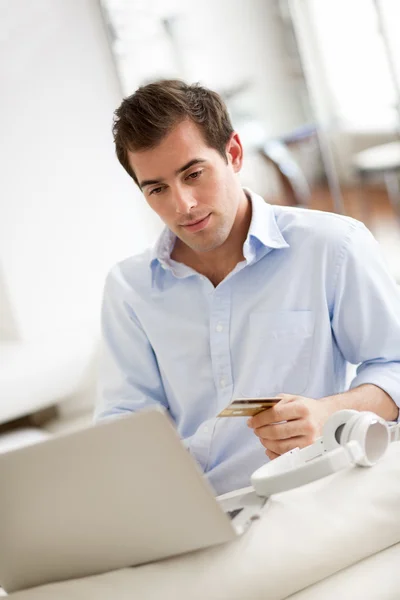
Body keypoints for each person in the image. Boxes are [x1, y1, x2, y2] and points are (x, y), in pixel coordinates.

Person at [95, 79, 400, 496]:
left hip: (307, 488)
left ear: (233, 153)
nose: (182, 205)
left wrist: (328, 412)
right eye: (158, 189)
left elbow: (395, 363)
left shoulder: (334, 246)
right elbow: (124, 419)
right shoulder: (129, 288)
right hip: (195, 507)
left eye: (194, 174)